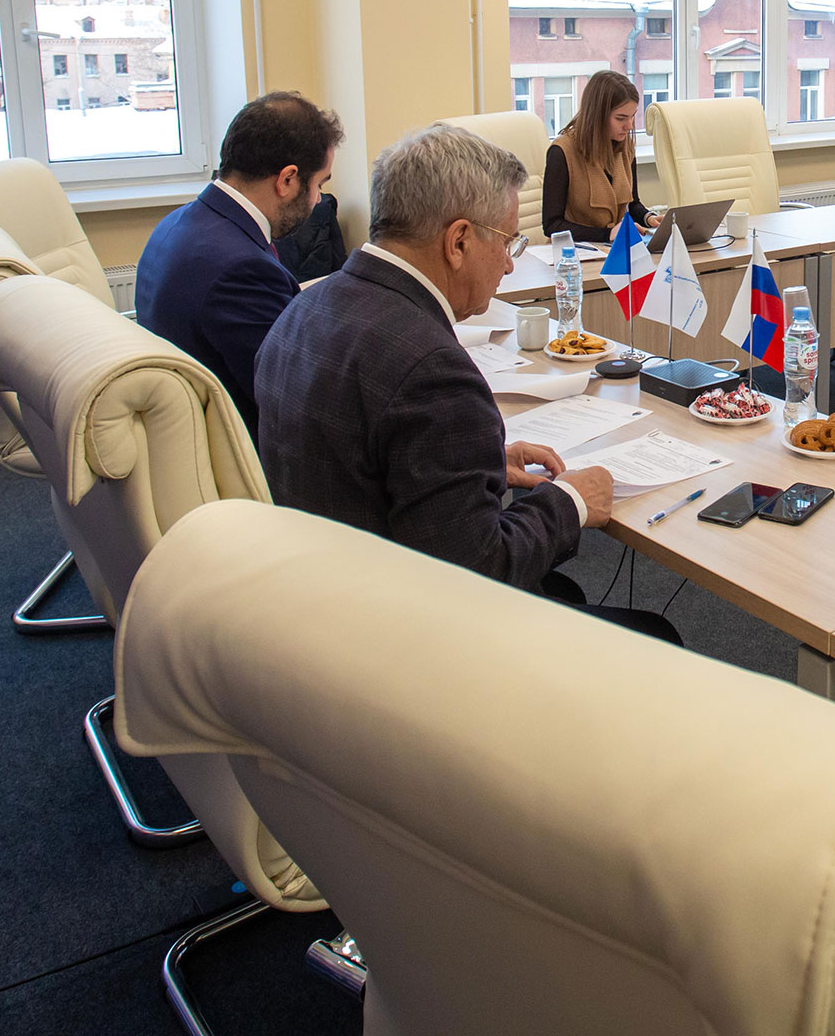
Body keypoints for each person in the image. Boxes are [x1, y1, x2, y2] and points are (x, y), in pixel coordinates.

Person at [255, 123, 680, 644]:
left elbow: (362, 460)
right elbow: (481, 573)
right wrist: (570, 499)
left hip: (317, 608)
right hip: (403, 642)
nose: (509, 263)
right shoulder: (432, 369)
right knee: (657, 637)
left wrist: (477, 463)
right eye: (506, 241)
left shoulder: (303, 307)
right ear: (458, 241)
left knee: (563, 591)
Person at [136, 91, 342, 439]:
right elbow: (299, 400)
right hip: (252, 449)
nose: (317, 199)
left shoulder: (177, 224)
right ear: (287, 179)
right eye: (318, 184)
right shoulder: (242, 270)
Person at [542, 70, 654, 244]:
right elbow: (552, 225)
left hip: (613, 248)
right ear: (597, 115)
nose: (629, 126)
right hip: (576, 251)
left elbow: (632, 204)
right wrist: (606, 234)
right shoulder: (561, 152)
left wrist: (648, 218)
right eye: (621, 118)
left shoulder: (625, 147)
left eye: (632, 116)